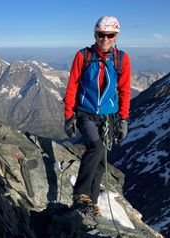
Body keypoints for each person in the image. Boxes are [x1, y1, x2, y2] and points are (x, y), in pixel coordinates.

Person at [63, 16, 131, 221]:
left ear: (116, 36)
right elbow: (72, 85)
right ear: (95, 34)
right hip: (86, 113)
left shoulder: (122, 59)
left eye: (110, 35)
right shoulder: (83, 56)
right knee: (96, 147)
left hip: (108, 118)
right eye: (101, 34)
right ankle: (80, 194)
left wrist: (123, 119)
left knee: (101, 163)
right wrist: (68, 116)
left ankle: (90, 203)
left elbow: (124, 90)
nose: (105, 39)